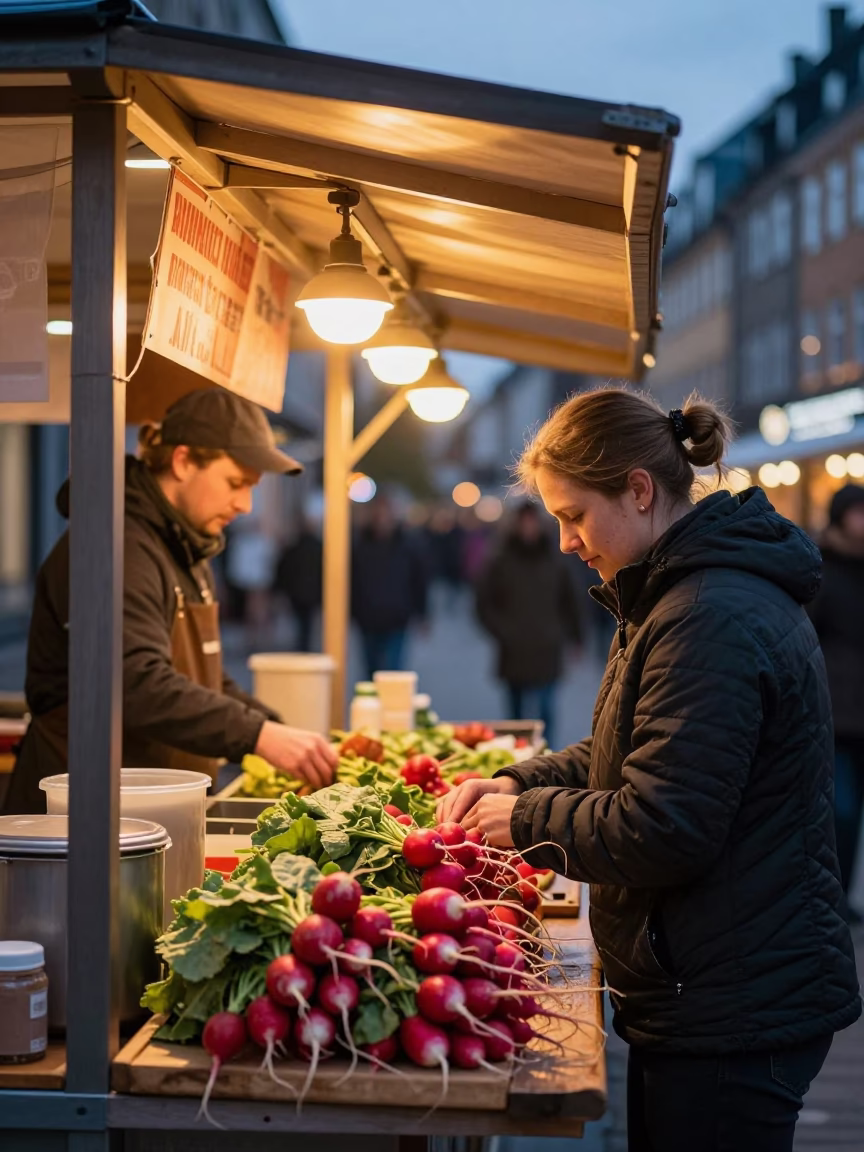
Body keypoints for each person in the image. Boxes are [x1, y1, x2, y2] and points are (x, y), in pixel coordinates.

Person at [439, 389, 861, 1152]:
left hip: (736, 1003)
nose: (566, 541)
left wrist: (525, 820)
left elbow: (666, 822)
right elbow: (630, 753)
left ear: (638, 490)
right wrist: (520, 782)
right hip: (716, 984)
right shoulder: (674, 593)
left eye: (574, 515)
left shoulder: (708, 615)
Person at [4, 388, 336, 815]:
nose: (245, 504)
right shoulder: (114, 545)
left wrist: (273, 727)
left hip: (155, 808)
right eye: (236, 483)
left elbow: (204, 676)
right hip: (85, 817)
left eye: (253, 488)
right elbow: (136, 681)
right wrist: (257, 734)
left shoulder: (186, 544)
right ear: (182, 461)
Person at [475, 500, 581, 745]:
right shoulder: (500, 560)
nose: (528, 528)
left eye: (532, 522)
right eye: (523, 522)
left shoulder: (555, 560)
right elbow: (483, 603)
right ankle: (517, 756)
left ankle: (547, 754)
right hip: (514, 648)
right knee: (515, 714)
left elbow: (571, 601)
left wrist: (575, 636)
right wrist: (501, 631)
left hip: (547, 646)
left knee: (546, 710)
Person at [808, 483, 864, 923]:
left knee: (855, 812)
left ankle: (844, 895)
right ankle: (835, 897)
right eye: (856, 513)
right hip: (838, 710)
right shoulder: (822, 569)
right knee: (840, 811)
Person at [351, 497, 428, 678]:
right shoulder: (360, 545)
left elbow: (419, 580)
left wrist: (422, 613)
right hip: (367, 617)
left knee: (393, 671)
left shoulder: (407, 545)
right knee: (370, 669)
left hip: (397, 617)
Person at [273, 520, 323, 652]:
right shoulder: (318, 547)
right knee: (307, 623)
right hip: (311, 594)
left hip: (297, 594)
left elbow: (284, 570)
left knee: (302, 623)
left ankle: (303, 646)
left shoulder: (293, 547)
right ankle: (305, 647)